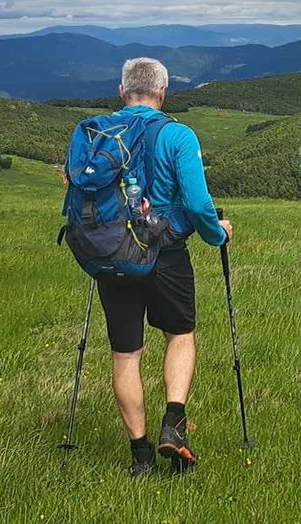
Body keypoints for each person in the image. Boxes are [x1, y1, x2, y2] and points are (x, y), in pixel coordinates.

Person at [95, 57, 232, 477]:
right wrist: (217, 234)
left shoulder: (97, 133)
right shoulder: (178, 135)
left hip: (113, 253)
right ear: (163, 92)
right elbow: (196, 202)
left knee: (126, 353)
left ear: (122, 92)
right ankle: (174, 423)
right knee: (180, 335)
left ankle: (140, 457)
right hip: (166, 253)